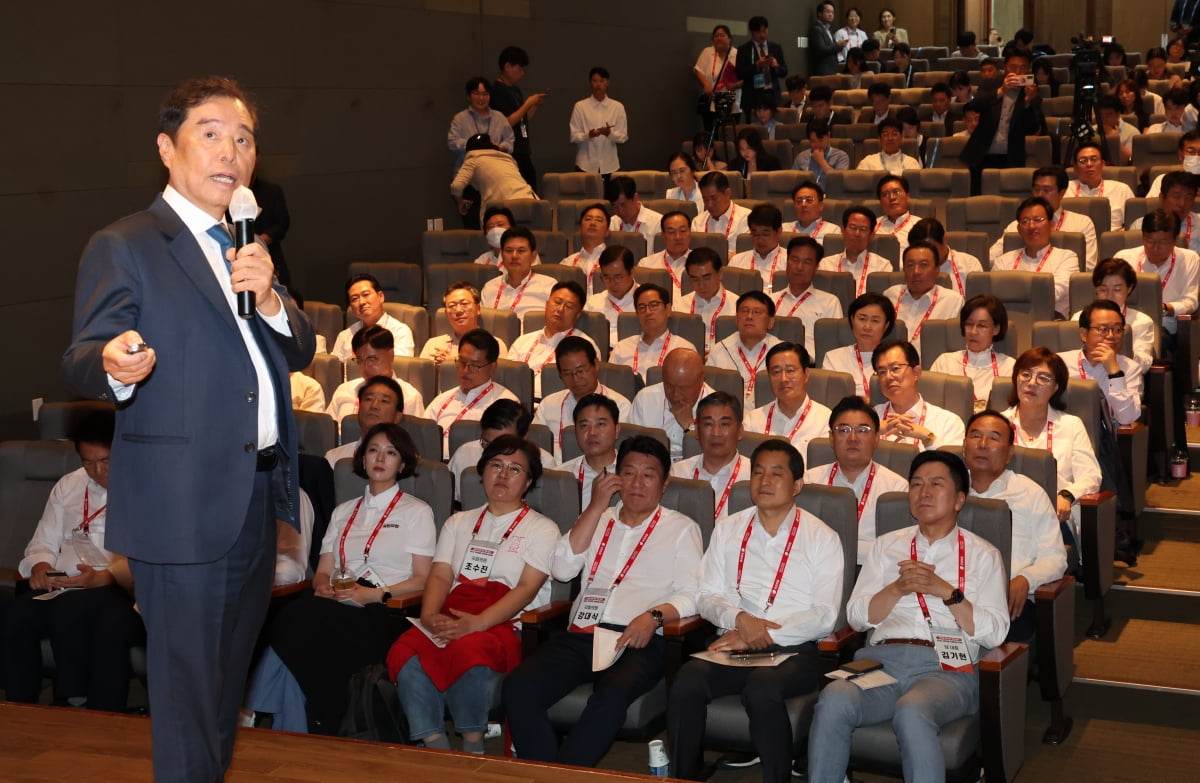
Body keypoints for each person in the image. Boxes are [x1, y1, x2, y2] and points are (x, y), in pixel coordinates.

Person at [61, 76, 318, 782]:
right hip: (180, 509)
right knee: (185, 697)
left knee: (220, 693)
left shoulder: (250, 243)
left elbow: (297, 346)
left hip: (257, 501)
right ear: (167, 148)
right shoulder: (128, 243)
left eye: (243, 138)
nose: (230, 151)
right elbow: (84, 353)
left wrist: (269, 298)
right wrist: (115, 360)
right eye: (211, 133)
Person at [807, 451, 1010, 783]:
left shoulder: (983, 555)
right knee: (833, 699)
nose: (924, 492)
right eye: (916, 484)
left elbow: (996, 633)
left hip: (945, 667)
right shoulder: (886, 547)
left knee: (912, 710)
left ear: (959, 499)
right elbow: (857, 618)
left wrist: (948, 592)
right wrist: (897, 588)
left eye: (935, 484)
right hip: (879, 662)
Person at [506, 434, 702, 766]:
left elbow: (694, 594)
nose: (637, 483)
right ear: (614, 476)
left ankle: (564, 774)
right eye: (628, 472)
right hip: (583, 634)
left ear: (665, 482)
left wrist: (654, 616)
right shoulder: (599, 519)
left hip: (637, 639)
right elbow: (562, 569)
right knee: (518, 686)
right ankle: (553, 775)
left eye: (648, 474)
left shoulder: (681, 529)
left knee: (610, 696)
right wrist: (596, 507)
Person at [670, 439, 844, 783]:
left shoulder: (822, 537)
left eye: (776, 473)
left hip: (793, 650)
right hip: (732, 641)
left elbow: (824, 614)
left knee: (762, 687)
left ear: (797, 485)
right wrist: (740, 621)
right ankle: (682, 777)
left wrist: (759, 634)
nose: (764, 481)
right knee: (686, 681)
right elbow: (706, 595)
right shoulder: (728, 528)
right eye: (758, 472)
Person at [388, 435, 559, 754]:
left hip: (503, 623)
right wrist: (429, 616)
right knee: (405, 651)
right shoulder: (459, 522)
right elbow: (440, 573)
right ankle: (434, 743)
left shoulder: (541, 529)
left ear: (528, 482)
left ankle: (472, 743)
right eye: (495, 465)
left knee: (468, 651)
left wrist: (477, 624)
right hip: (452, 613)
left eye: (514, 469)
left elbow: (526, 590)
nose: (503, 474)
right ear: (482, 472)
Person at [265, 423, 434, 734]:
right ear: (362, 457)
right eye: (373, 450)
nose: (380, 458)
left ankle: (318, 717)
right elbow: (324, 570)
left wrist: (376, 594)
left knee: (301, 622)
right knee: (287, 617)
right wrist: (321, 587)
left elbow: (424, 579)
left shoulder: (416, 511)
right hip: (339, 599)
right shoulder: (343, 511)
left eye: (391, 452)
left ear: (404, 462)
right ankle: (328, 717)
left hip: (388, 605)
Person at [3, 410, 144, 712]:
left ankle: (72, 701)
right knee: (17, 618)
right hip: (63, 583)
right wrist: (40, 566)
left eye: (106, 461)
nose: (97, 471)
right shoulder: (69, 485)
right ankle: (21, 707)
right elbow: (43, 541)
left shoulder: (145, 487)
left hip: (116, 585)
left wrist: (104, 577)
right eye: (88, 462)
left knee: (71, 610)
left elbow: (146, 557)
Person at [963, 410, 1068, 641]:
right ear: (964, 446)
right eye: (976, 436)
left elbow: (1055, 557)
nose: (982, 444)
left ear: (1009, 452)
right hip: (952, 598)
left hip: (1007, 601)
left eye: (993, 438)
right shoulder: (947, 492)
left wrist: (1026, 579)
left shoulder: (1029, 493)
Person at [1000, 348, 1102, 553]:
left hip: (1051, 518)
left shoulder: (1071, 425)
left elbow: (1091, 476)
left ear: (1056, 387)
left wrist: (1067, 494)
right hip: (1006, 515)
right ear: (1016, 379)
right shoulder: (997, 424)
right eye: (1026, 374)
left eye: (1043, 378)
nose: (1032, 383)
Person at [804, 396, 909, 562]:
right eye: (844, 430)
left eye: (862, 430)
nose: (853, 438)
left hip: (871, 574)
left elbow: (896, 550)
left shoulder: (897, 488)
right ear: (831, 438)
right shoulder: (809, 482)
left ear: (876, 439)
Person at [960, 45, 1043, 195]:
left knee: (1008, 201)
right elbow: (974, 106)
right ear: (1005, 67)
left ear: (1028, 70)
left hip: (1011, 156)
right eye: (1013, 67)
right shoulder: (991, 84)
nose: (1017, 72)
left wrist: (1028, 102)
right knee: (978, 200)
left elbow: (1032, 127)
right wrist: (1001, 91)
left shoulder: (1032, 92)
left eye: (1022, 67)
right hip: (982, 154)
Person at [533, 335, 631, 456]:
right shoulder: (548, 406)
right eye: (567, 373)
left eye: (581, 371)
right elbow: (535, 449)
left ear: (596, 364)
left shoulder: (621, 406)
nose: (575, 379)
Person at [424, 329, 518, 454]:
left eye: (475, 365)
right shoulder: (442, 400)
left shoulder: (506, 404)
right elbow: (422, 437)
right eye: (462, 362)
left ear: (493, 367)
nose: (466, 370)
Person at [987, 166, 1098, 271]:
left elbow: (1088, 267)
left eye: (1046, 190)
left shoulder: (1082, 223)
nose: (1040, 195)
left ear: (1062, 193)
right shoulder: (1018, 225)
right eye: (1036, 190)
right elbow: (991, 258)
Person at [446, 399, 554, 502]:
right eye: (487, 443)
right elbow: (452, 503)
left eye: (503, 444)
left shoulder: (544, 462)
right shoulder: (465, 453)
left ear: (523, 437)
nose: (494, 451)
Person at [1060, 300, 1144, 426]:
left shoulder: (1130, 368)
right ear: (1084, 334)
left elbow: (1127, 418)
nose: (1111, 336)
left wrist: (1115, 374)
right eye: (1103, 329)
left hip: (1106, 440)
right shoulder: (1061, 363)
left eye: (1117, 330)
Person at [507, 280, 597, 398]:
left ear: (578, 315)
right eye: (557, 302)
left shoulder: (585, 346)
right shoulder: (522, 342)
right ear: (547, 304)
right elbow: (508, 379)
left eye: (569, 306)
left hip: (559, 405)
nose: (560, 309)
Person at [873, 340, 967, 452]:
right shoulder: (870, 419)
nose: (888, 377)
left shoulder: (948, 422)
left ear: (916, 373)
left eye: (895, 369)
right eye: (882, 372)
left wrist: (927, 437)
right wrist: (872, 431)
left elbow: (955, 465)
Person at [992, 196, 1077, 318]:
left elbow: (1053, 293)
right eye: (1025, 221)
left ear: (1051, 225)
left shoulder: (1067, 258)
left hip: (1049, 323)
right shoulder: (1003, 261)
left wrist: (1012, 291)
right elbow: (995, 298)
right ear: (1019, 229)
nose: (1032, 226)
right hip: (1008, 324)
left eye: (1038, 220)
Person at [744, 342, 832, 456]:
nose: (783, 379)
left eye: (790, 371)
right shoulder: (753, 420)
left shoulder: (825, 420)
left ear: (806, 374)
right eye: (776, 372)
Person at [930, 295, 1017, 411]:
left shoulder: (1010, 366)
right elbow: (931, 406)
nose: (973, 332)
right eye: (969, 324)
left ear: (996, 329)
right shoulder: (944, 362)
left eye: (982, 325)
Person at [629, 347, 714, 462]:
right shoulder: (645, 399)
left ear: (701, 380)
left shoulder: (716, 407)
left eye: (684, 388)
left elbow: (714, 459)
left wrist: (689, 426)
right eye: (669, 385)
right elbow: (632, 450)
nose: (675, 394)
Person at [1070, 258, 1155, 370]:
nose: (1109, 296)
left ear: (1129, 289)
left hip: (1125, 375)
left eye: (1117, 290)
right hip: (1085, 376)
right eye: (1103, 290)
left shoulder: (1142, 321)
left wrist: (1121, 347)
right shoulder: (1078, 318)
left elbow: (1144, 365)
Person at [326, 326, 424, 422]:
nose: (365, 367)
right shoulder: (344, 390)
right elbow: (329, 431)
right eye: (359, 360)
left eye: (372, 359)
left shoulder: (410, 397)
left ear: (391, 355)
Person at [883, 242, 964, 359]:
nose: (916, 271)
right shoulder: (890, 295)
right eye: (910, 265)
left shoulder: (953, 301)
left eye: (923, 265)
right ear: (904, 269)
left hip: (931, 370)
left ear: (937, 269)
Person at [610, 283, 698, 381]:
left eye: (654, 305)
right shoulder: (621, 348)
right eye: (642, 307)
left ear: (668, 309)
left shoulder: (684, 349)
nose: (648, 312)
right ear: (637, 313)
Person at [773, 236, 844, 356]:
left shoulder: (830, 302)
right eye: (795, 260)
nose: (799, 267)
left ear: (816, 267)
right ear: (787, 262)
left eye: (807, 262)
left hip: (813, 368)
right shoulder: (770, 300)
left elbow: (834, 347)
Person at [708, 291, 782, 405]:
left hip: (770, 415)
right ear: (736, 318)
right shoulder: (719, 350)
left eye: (757, 312)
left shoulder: (782, 352)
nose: (749, 317)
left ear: (770, 322)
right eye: (744, 311)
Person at [821, 293, 897, 400]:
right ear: (852, 320)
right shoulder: (833, 358)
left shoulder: (897, 360)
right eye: (862, 319)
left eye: (875, 321)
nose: (867, 327)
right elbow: (830, 399)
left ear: (886, 325)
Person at [490, 46, 547, 189]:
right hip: (510, 152)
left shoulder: (515, 90)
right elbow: (506, 122)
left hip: (523, 149)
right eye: (519, 68)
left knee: (531, 187)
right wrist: (527, 103)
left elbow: (523, 119)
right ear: (507, 66)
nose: (522, 73)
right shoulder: (497, 90)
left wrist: (534, 106)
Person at [551, 393, 620, 508]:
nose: (592, 432)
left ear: (617, 430)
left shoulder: (634, 476)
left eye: (601, 424)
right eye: (584, 426)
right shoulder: (561, 478)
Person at [451, 134, 538, 224]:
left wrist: (460, 202)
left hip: (503, 208)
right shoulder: (508, 159)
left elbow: (456, 186)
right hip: (531, 202)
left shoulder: (472, 159)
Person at [330, 273, 415, 362]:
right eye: (355, 299)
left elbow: (400, 369)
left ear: (381, 296)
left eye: (366, 294)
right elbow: (334, 371)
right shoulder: (344, 336)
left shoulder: (400, 332)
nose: (361, 302)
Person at [421, 281, 509, 366]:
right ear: (446, 313)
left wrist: (455, 362)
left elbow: (497, 377)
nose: (458, 310)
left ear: (478, 309)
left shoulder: (494, 344)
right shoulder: (433, 345)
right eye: (452, 306)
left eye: (464, 304)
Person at [324, 375, 404, 467]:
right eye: (368, 399)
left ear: (397, 416)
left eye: (384, 401)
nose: (374, 406)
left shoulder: (405, 462)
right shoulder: (333, 459)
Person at [480, 226, 556, 322]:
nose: (514, 256)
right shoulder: (489, 288)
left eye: (521, 251)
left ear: (533, 256)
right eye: (509, 250)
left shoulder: (549, 286)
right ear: (502, 255)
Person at [675, 247, 738, 355]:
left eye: (707, 278)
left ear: (720, 274)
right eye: (695, 279)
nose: (701, 285)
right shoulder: (679, 306)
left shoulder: (737, 305)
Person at [818, 206, 892, 297]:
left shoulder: (883, 266)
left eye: (863, 229)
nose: (857, 234)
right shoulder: (825, 265)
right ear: (843, 230)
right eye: (853, 228)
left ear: (872, 235)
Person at [448, 76, 515, 174]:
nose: (481, 98)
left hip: (495, 173)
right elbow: (452, 142)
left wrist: (500, 147)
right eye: (476, 93)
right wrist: (473, 144)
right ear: (468, 96)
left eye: (485, 94)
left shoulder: (499, 117)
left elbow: (510, 141)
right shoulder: (459, 118)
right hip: (468, 175)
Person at [569, 66, 627, 178]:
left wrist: (609, 134)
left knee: (610, 195)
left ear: (607, 83)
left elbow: (623, 137)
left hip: (610, 165)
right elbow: (573, 136)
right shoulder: (580, 106)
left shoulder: (617, 107)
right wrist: (588, 135)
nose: (598, 85)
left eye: (601, 81)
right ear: (590, 83)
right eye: (594, 81)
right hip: (585, 165)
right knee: (586, 196)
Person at [907, 218, 983, 299]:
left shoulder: (969, 264)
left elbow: (979, 303)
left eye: (931, 249)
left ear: (944, 240)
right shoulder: (911, 269)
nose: (925, 255)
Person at [1071, 139, 1136, 230]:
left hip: (1111, 240)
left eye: (1094, 159)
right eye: (1083, 160)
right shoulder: (1064, 189)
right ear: (1075, 168)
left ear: (1103, 164)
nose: (1089, 164)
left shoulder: (1121, 189)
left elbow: (1135, 225)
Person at [586, 245, 638, 346]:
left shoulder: (647, 302)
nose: (612, 283)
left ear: (632, 273)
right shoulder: (593, 302)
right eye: (606, 277)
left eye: (618, 277)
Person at [737, 15, 788, 117]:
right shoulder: (744, 49)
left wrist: (776, 66)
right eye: (758, 32)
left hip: (772, 94)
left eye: (765, 31)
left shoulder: (775, 47)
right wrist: (757, 65)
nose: (762, 35)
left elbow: (784, 71)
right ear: (751, 32)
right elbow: (739, 73)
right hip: (752, 96)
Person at [694, 24, 742, 132]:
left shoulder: (738, 54)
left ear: (729, 38)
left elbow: (746, 78)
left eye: (722, 35)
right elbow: (698, 70)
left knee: (728, 135)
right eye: (716, 36)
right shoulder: (707, 52)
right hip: (712, 101)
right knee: (711, 133)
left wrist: (735, 85)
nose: (719, 38)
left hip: (731, 103)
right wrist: (706, 84)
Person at [729, 203, 787, 290]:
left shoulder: (789, 261)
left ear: (779, 232)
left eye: (765, 234)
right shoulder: (737, 262)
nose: (760, 240)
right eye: (755, 234)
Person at [693, 171, 751, 257]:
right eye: (705, 199)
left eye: (714, 198)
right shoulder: (697, 222)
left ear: (727, 193)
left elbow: (747, 253)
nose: (709, 204)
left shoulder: (746, 218)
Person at [639, 210, 693, 298]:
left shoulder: (703, 263)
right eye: (671, 232)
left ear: (690, 233)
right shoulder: (646, 264)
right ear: (663, 236)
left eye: (683, 231)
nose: (678, 237)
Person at [607, 175, 662, 254]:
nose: (619, 211)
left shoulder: (658, 223)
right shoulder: (611, 224)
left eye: (623, 205)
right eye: (614, 206)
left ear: (635, 198)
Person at [561, 203, 610, 289]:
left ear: (607, 231)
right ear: (580, 228)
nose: (592, 223)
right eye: (588, 219)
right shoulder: (567, 263)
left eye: (599, 220)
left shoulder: (615, 262)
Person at [793, 120, 850, 188]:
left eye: (820, 140)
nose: (817, 145)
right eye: (813, 141)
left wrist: (822, 161)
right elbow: (793, 182)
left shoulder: (841, 156)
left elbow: (839, 182)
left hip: (831, 196)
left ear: (828, 135)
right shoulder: (801, 157)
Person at [874, 174, 923, 252]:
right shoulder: (871, 226)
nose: (891, 197)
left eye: (896, 192)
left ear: (907, 196)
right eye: (885, 194)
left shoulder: (921, 226)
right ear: (880, 201)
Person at [857, 119, 921, 174]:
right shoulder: (868, 163)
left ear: (901, 138)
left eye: (894, 134)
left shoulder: (911, 164)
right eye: (885, 134)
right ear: (880, 139)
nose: (890, 138)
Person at [809, 1, 840, 76]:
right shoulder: (816, 29)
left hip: (832, 69)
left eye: (832, 12)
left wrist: (840, 46)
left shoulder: (829, 29)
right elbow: (821, 49)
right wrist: (838, 45)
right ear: (819, 14)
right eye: (828, 12)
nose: (831, 14)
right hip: (823, 70)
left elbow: (832, 48)